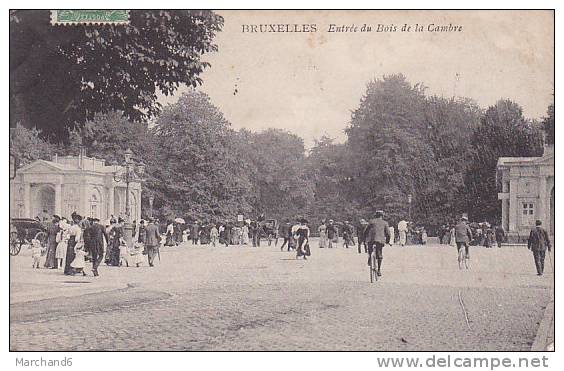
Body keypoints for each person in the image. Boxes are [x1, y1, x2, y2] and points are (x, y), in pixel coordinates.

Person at [365, 211, 390, 276]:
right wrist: (387, 241)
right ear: (382, 216)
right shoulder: (385, 223)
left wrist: (365, 238)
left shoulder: (371, 221)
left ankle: (370, 258)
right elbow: (388, 233)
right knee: (379, 254)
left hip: (371, 240)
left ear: (375, 215)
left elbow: (365, 231)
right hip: (380, 240)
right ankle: (379, 270)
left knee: (370, 249)